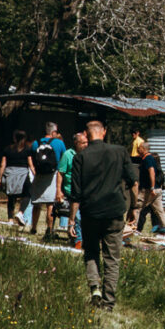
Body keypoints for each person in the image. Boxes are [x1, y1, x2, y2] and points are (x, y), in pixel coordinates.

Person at [70, 119, 137, 309]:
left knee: (91, 252)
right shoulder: (119, 151)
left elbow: (75, 194)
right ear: (104, 132)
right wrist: (133, 207)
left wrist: (72, 220)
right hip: (115, 212)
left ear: (86, 134)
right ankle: (108, 302)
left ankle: (95, 289)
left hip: (90, 212)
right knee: (112, 258)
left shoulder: (80, 158)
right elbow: (133, 181)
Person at [28, 121, 65, 239]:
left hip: (39, 175)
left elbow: (31, 156)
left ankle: (33, 228)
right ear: (53, 132)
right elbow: (63, 158)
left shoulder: (36, 143)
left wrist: (34, 170)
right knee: (50, 204)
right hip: (52, 175)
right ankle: (49, 229)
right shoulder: (59, 143)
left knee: (37, 204)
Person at [135, 140, 165, 235]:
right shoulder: (150, 158)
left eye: (139, 148)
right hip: (158, 190)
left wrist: (152, 187)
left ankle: (132, 229)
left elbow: (152, 172)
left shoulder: (147, 159)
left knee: (137, 208)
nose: (138, 149)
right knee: (160, 211)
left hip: (149, 190)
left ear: (143, 149)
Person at [0, 131, 33, 224]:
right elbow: (30, 164)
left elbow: (2, 164)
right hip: (23, 175)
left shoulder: (7, 149)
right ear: (24, 139)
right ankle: (20, 212)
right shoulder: (27, 149)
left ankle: (10, 219)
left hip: (10, 174)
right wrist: (35, 175)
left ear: (14, 138)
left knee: (11, 197)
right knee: (27, 194)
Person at [64, 127, 88, 245]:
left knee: (82, 216)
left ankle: (80, 239)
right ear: (76, 143)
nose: (85, 145)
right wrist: (59, 191)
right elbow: (60, 173)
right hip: (70, 190)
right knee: (77, 215)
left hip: (85, 191)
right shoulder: (68, 154)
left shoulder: (88, 155)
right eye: (83, 143)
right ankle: (78, 240)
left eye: (86, 142)